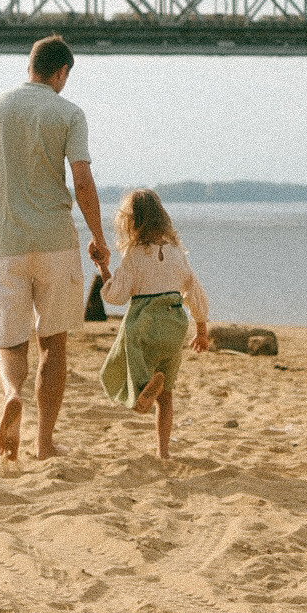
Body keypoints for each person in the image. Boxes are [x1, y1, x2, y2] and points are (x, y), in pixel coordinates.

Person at [0, 35, 111, 463]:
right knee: (53, 343)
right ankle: (44, 442)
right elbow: (83, 183)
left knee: (10, 342)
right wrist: (99, 239)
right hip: (54, 241)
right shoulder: (68, 113)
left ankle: (13, 394)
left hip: (3, 243)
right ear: (61, 72)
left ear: (28, 65)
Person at [99, 190, 210, 459]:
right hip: (173, 326)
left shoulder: (135, 255)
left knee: (123, 370)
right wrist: (202, 330)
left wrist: (104, 268)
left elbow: (116, 296)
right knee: (167, 394)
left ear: (131, 222)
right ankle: (163, 451)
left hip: (144, 327)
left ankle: (142, 388)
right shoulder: (175, 253)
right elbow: (194, 291)